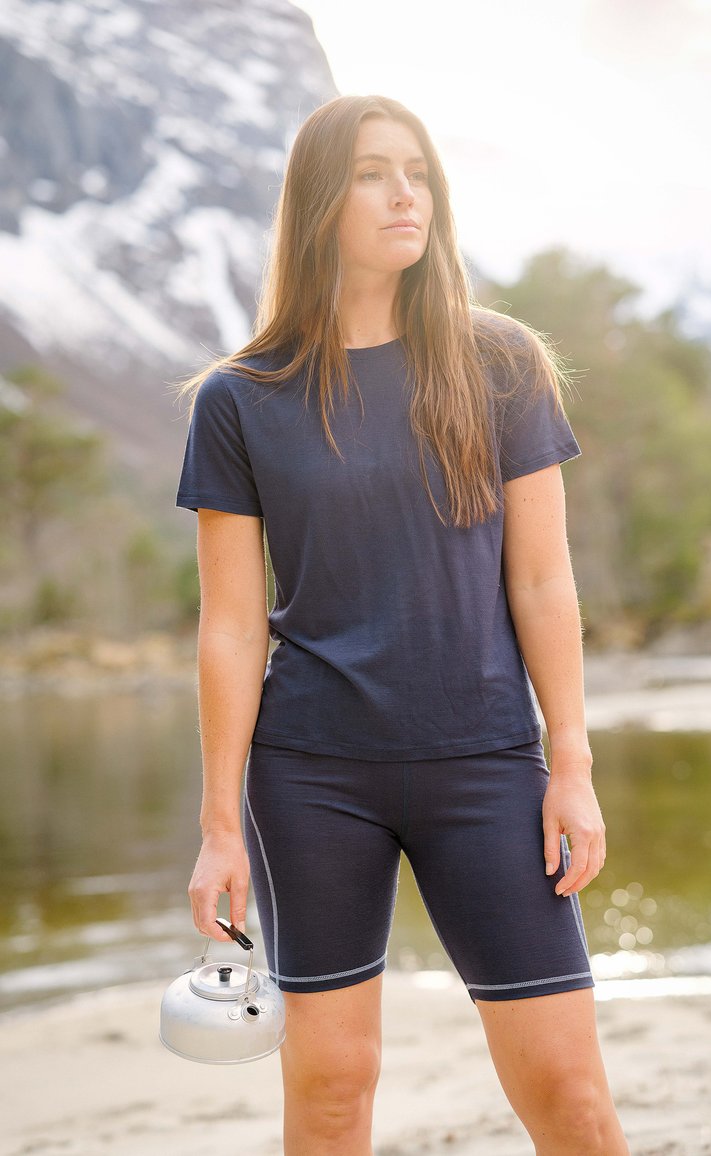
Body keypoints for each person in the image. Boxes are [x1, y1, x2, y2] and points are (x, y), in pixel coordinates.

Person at [175, 94, 629, 1155]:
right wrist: (216, 826)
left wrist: (570, 762)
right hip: (312, 774)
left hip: (484, 760)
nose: (404, 195)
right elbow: (232, 629)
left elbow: (542, 584)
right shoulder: (240, 400)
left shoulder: (501, 362)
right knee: (332, 1089)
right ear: (319, 203)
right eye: (376, 173)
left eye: (417, 172)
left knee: (567, 1091)